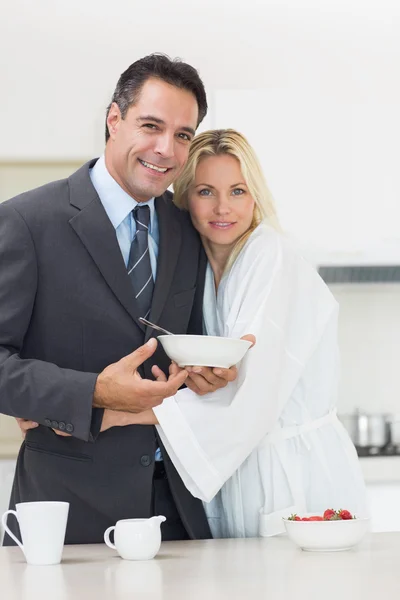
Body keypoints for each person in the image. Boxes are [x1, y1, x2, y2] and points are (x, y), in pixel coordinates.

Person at [0, 55, 242, 545]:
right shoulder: (27, 222)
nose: (165, 149)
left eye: (182, 134)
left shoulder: (186, 226)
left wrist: (208, 372)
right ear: (114, 119)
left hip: (179, 510)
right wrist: (89, 393)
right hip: (67, 512)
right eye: (150, 125)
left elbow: (185, 343)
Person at [110, 129, 368, 538]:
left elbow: (248, 387)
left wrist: (109, 414)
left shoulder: (270, 255)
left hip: (292, 471)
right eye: (206, 191)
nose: (223, 208)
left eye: (238, 191)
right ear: (185, 199)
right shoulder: (203, 270)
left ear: (256, 196)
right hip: (242, 468)